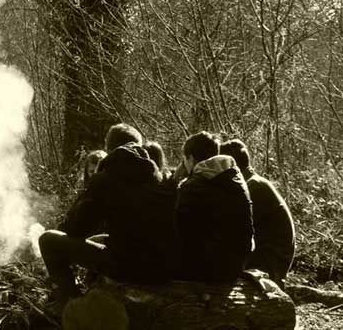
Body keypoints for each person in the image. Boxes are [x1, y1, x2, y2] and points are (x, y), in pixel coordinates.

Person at [40, 124, 180, 311]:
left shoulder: (105, 179)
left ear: (108, 149)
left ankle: (73, 309)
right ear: (139, 146)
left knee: (48, 240)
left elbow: (76, 229)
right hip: (166, 267)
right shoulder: (161, 177)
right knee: (105, 241)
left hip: (130, 267)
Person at [175, 132, 254, 283]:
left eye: (184, 160)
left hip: (206, 271)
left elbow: (181, 232)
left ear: (190, 158)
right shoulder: (235, 179)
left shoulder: (193, 186)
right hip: (236, 266)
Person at [221, 139, 295, 284]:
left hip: (269, 264)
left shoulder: (253, 187)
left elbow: (231, 230)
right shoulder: (252, 183)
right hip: (268, 258)